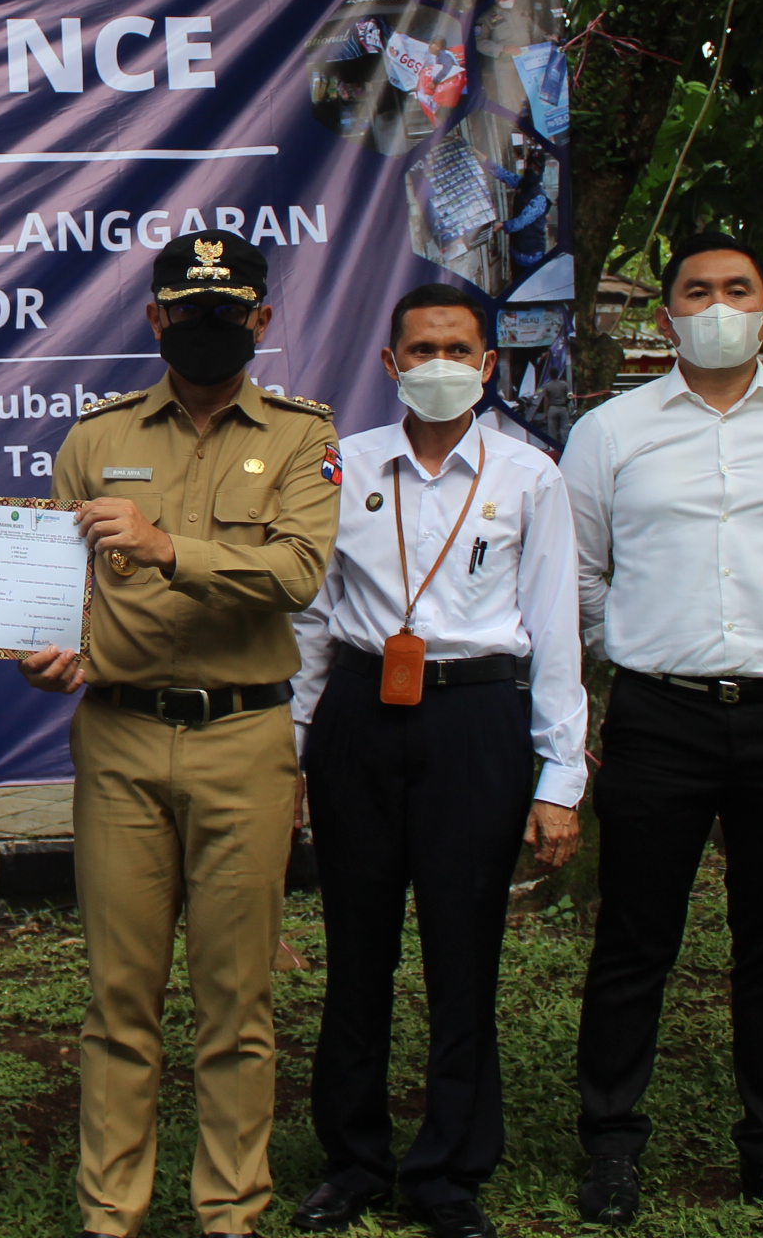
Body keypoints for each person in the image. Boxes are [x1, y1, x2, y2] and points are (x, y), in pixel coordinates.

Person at [17, 233, 341, 1238]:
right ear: (155, 320)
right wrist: (49, 645)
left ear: (261, 324)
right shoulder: (94, 438)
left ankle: (229, 1212)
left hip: (243, 741)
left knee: (236, 999)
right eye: (186, 316)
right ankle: (110, 1213)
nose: (206, 334)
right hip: (117, 743)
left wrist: (167, 548)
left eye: (226, 317)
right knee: (119, 994)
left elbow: (298, 573)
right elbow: (54, 589)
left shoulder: (299, 437)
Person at [560, 229, 763, 1228]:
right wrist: (649, 646)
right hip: (661, 715)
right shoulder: (611, 430)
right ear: (668, 315)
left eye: (739, 289)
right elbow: (583, 574)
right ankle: (610, 1144)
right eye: (698, 290)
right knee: (635, 938)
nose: (719, 305)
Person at [289, 283, 584, 1238]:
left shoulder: (530, 475)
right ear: (389, 363)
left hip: (476, 723)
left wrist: (560, 780)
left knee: (465, 953)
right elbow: (312, 622)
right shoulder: (343, 467)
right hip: (359, 719)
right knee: (357, 946)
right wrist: (293, 751)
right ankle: (353, 1159)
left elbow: (556, 635)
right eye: (420, 349)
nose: (439, 364)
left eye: (459, 348)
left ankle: (449, 1167)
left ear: (490, 364)